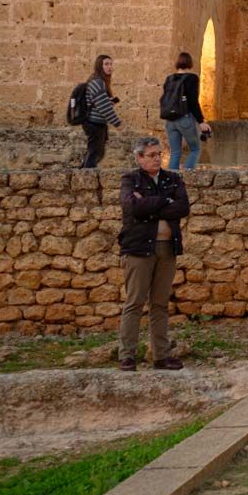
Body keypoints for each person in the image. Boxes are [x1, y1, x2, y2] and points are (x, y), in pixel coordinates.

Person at [116, 135, 189, 371]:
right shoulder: (131, 180)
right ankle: (127, 355)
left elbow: (182, 207)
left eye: (159, 154)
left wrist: (150, 203)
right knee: (135, 302)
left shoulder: (172, 179)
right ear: (139, 158)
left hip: (167, 248)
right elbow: (132, 207)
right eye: (151, 155)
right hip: (139, 248)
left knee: (160, 303)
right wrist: (165, 202)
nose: (157, 159)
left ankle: (161, 355)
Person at [158, 52, 211, 171]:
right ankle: (186, 176)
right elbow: (193, 102)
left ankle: (172, 180)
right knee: (195, 149)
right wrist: (201, 121)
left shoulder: (169, 79)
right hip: (184, 118)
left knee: (175, 152)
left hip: (170, 120)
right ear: (190, 63)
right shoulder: (192, 78)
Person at [81, 54, 122, 168]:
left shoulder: (99, 81)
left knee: (95, 152)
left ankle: (84, 172)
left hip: (97, 122)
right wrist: (117, 123)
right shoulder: (97, 82)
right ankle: (87, 175)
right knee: (95, 153)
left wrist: (109, 101)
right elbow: (103, 107)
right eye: (106, 64)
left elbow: (100, 103)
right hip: (93, 122)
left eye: (111, 64)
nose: (110, 67)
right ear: (100, 66)